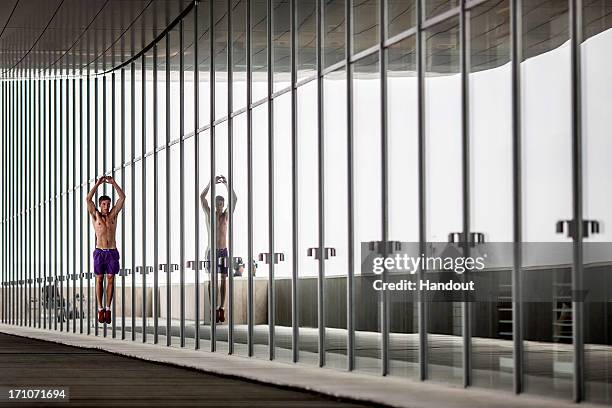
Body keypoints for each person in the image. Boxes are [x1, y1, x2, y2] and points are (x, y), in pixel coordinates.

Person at [86, 176, 126, 324]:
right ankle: (100, 308)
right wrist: (97, 183)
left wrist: (113, 183)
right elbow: (88, 199)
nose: (107, 206)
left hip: (112, 251)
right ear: (100, 204)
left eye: (108, 203)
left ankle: (108, 309)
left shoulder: (113, 215)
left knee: (110, 279)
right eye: (104, 204)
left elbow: (122, 198)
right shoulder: (95, 215)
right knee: (99, 279)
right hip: (99, 252)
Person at [200, 175, 237, 323]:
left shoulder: (226, 217)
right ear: (215, 204)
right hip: (211, 251)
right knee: (211, 280)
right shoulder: (210, 215)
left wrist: (227, 184)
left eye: (222, 203)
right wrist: (211, 183)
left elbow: (234, 199)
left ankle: (222, 308)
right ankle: (214, 308)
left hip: (223, 251)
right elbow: (202, 197)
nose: (221, 206)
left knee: (223, 280)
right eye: (218, 203)